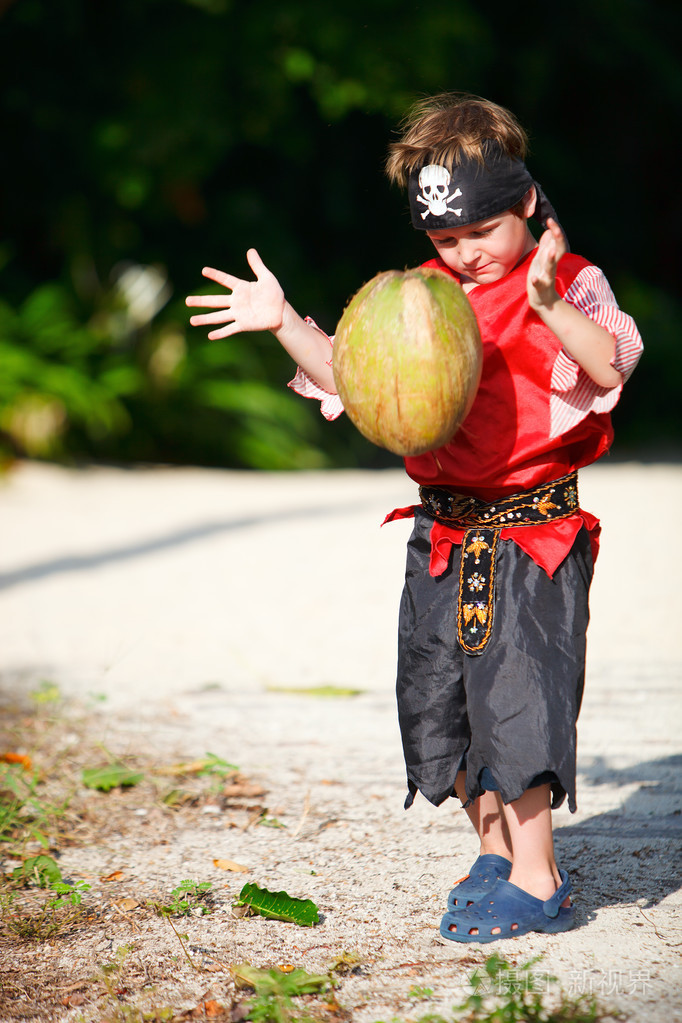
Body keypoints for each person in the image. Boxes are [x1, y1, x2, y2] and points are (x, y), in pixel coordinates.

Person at [186, 93, 642, 943]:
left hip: (533, 533)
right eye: (444, 238)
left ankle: (540, 878)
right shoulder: (418, 297)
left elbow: (612, 360)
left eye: (482, 232)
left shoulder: (568, 282)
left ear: (527, 205)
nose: (465, 254)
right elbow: (356, 381)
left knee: (521, 700)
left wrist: (546, 304)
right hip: (442, 533)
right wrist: (285, 321)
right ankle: (496, 851)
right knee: (444, 703)